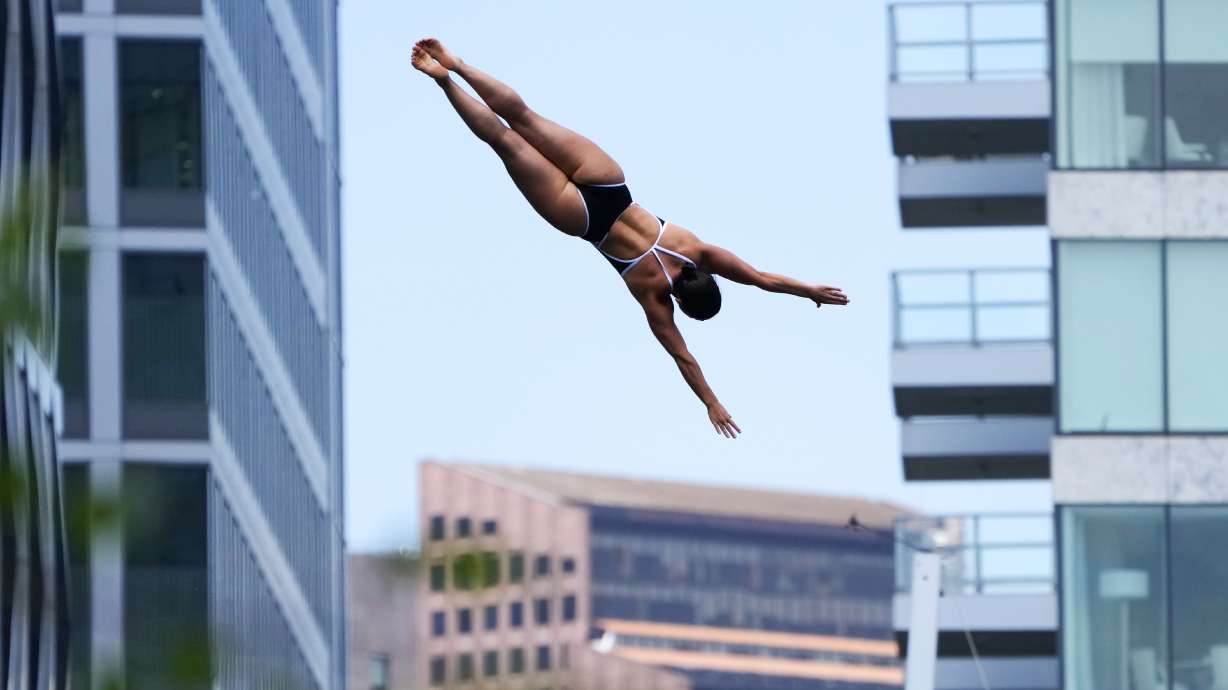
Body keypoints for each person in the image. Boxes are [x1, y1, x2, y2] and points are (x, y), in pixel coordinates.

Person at [411, 39, 849, 439]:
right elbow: (684, 359)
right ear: (681, 302)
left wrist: (808, 290)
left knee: (524, 118)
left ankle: (459, 63)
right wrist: (712, 403)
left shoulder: (697, 252)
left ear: (709, 279)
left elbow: (759, 278)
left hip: (609, 187)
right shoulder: (655, 297)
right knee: (505, 142)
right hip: (581, 218)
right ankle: (445, 81)